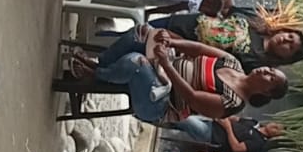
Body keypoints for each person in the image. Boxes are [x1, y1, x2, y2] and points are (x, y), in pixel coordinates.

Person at [63, 23, 287, 128]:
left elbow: (191, 97)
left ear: (267, 92)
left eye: (271, 78)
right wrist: (171, 42)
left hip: (160, 103)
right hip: (162, 68)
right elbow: (198, 48)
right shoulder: (233, 63)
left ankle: (95, 75)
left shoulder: (233, 102)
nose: (265, 71)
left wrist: (166, 64)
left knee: (136, 62)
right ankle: (100, 65)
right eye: (270, 70)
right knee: (141, 32)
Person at [155, 4, 303, 71]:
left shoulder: (257, 63)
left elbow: (212, 60)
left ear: (287, 58)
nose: (285, 40)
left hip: (174, 49)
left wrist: (176, 41)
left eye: (290, 47)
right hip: (181, 23)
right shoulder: (257, 23)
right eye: (289, 36)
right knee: (143, 29)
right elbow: (228, 9)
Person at [163, 115, 283, 152]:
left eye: (277, 129)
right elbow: (235, 118)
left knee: (183, 118)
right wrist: (223, 116)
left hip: (212, 135)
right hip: (212, 121)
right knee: (177, 120)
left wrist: (227, 128)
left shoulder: (258, 142)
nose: (274, 127)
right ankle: (158, 120)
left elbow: (236, 147)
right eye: (276, 124)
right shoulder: (254, 122)